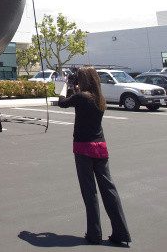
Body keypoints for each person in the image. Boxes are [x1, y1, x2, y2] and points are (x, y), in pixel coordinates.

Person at [58, 66, 131, 246]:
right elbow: (80, 99)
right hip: (100, 146)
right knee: (108, 189)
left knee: (89, 192)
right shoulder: (99, 99)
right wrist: (75, 88)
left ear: (82, 80)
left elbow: (62, 102)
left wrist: (61, 86)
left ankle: (94, 233)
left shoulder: (81, 97)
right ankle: (121, 232)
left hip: (83, 147)